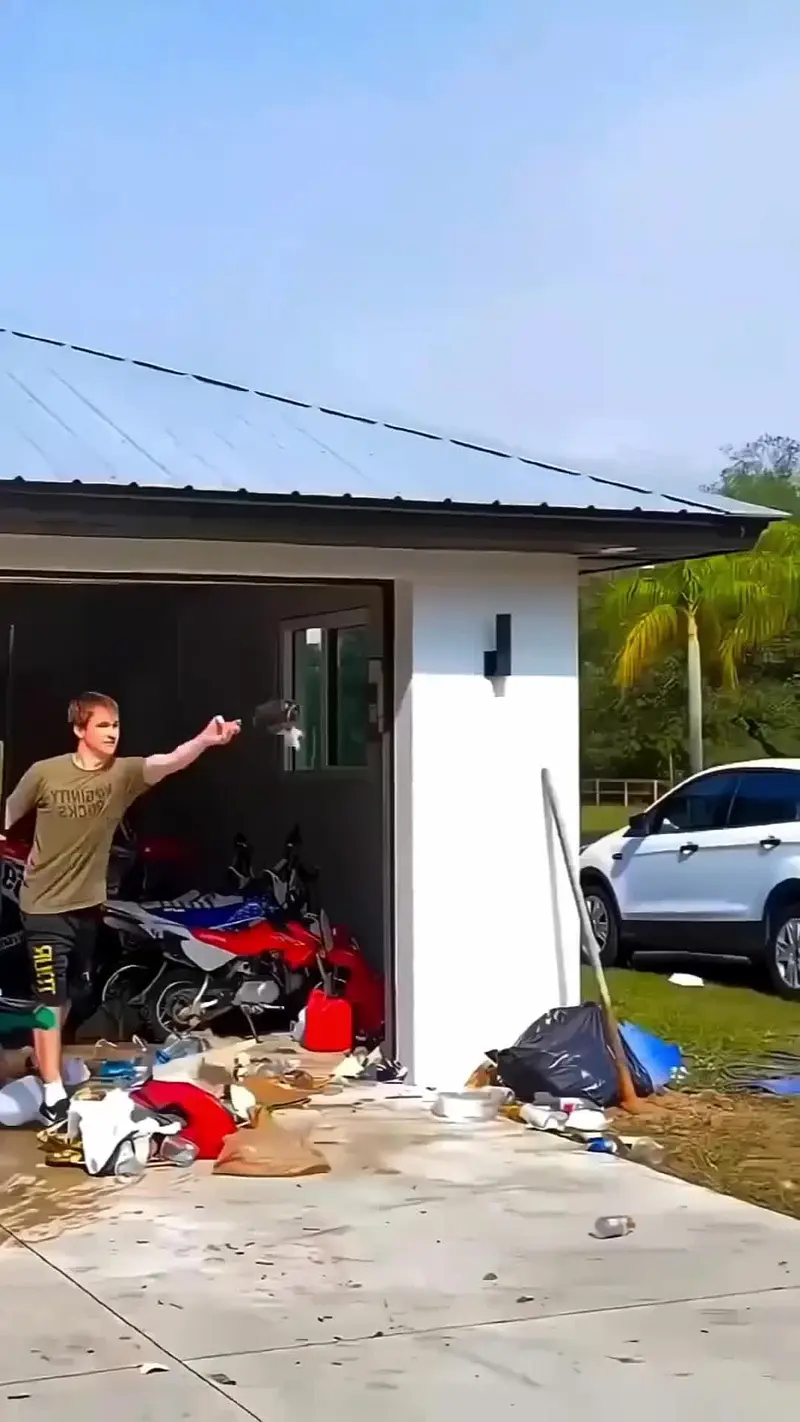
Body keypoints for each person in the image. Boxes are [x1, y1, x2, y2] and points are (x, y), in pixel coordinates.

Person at [2, 691, 240, 1127]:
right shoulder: (45, 773)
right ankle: (52, 1092)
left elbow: (169, 762)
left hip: (88, 908)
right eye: (103, 726)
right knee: (48, 998)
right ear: (80, 729)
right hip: (43, 906)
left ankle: (45, 1062)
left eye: (115, 725)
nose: (112, 733)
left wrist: (205, 740)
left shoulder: (123, 774)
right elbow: (9, 813)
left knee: (74, 994)